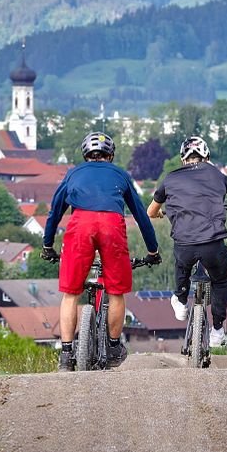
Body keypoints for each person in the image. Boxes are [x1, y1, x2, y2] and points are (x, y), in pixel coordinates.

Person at [41, 131, 161, 371]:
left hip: (80, 225)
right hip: (111, 225)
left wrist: (48, 245)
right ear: (111, 155)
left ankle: (66, 355)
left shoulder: (73, 173)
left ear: (85, 155)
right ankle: (114, 347)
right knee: (116, 291)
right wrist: (152, 250)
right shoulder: (121, 175)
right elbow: (141, 215)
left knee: (70, 293)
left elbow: (55, 212)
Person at [147, 135, 227, 348]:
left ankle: (180, 300)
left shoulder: (170, 178)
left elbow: (151, 211)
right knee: (220, 281)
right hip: (213, 242)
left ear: (182, 159)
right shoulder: (215, 173)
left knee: (182, 265)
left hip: (185, 243)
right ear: (206, 156)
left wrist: (161, 214)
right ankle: (217, 330)